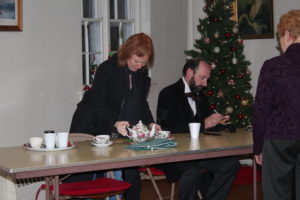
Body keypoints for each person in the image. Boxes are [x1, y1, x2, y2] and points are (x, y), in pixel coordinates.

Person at [69, 32, 161, 200]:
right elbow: (99, 103)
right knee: (87, 180)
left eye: (143, 63)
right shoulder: (107, 69)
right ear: (126, 54)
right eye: (136, 61)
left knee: (131, 175)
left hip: (120, 130)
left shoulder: (141, 73)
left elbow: (141, 103)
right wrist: (115, 122)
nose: (139, 66)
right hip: (92, 126)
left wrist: (150, 123)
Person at [156, 59, 240, 200]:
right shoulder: (168, 94)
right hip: (175, 155)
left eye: (207, 79)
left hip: (199, 153)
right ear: (189, 73)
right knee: (192, 172)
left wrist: (220, 122)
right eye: (203, 78)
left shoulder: (201, 96)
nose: (205, 84)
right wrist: (203, 123)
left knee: (231, 164)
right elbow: (167, 128)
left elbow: (206, 125)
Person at [252, 10, 300, 200]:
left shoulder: (273, 66)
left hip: (279, 138)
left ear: (288, 34)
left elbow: (261, 109)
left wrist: (258, 146)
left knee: (277, 194)